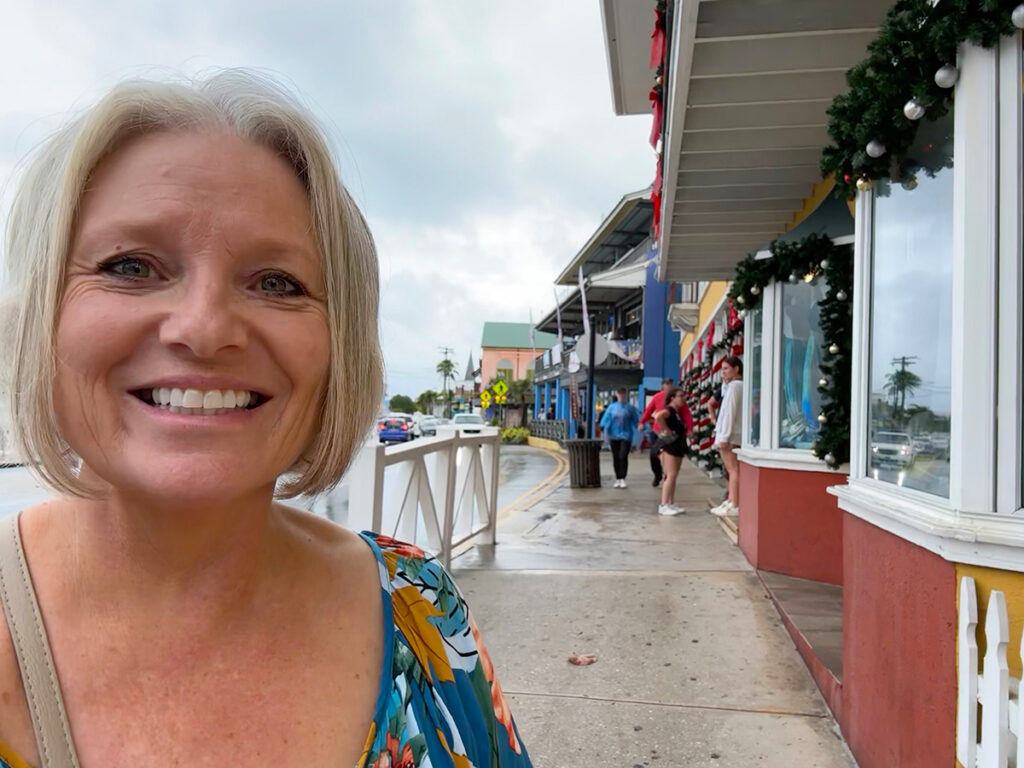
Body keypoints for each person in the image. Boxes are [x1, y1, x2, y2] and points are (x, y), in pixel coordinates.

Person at [0, 71, 531, 768]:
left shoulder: (419, 611)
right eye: (131, 266)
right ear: (42, 316)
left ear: (338, 344)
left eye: (276, 283)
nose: (205, 328)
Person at [639, 378, 693, 486]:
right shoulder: (657, 397)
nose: (669, 386)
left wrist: (689, 429)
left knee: (667, 456)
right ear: (662, 386)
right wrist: (642, 422)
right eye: (667, 384)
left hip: (672, 432)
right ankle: (658, 474)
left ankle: (667, 475)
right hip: (658, 430)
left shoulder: (679, 401)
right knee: (654, 454)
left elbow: (687, 415)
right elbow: (649, 411)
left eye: (671, 384)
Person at [711, 356, 744, 517]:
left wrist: (723, 435)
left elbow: (729, 412)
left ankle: (735, 502)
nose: (722, 372)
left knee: (733, 470)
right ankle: (731, 500)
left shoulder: (735, 387)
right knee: (732, 470)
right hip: (731, 433)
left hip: (729, 435)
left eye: (726, 369)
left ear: (736, 369)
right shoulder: (733, 386)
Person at [652, 388, 690, 516]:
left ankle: (670, 503)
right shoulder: (669, 410)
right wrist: (666, 429)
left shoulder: (677, 412)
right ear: (672, 397)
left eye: (683, 396)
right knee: (670, 475)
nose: (682, 398)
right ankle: (664, 504)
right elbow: (658, 416)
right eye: (680, 396)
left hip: (678, 445)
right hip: (670, 446)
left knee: (673, 476)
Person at [599, 388, 640, 488]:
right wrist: (603, 426)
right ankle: (618, 478)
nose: (621, 396)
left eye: (623, 394)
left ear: (626, 395)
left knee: (623, 456)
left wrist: (641, 427)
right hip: (613, 435)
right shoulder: (612, 408)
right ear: (617, 395)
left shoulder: (630, 408)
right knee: (616, 457)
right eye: (620, 394)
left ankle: (622, 478)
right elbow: (606, 418)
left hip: (626, 436)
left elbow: (636, 419)